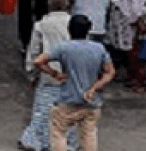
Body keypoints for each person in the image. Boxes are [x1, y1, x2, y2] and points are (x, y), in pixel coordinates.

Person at [32, 14, 116, 151]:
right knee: (89, 135)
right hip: (90, 102)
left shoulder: (63, 47)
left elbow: (38, 61)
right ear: (88, 30)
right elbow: (110, 72)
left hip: (67, 100)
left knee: (59, 133)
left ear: (69, 29)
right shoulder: (99, 48)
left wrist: (55, 74)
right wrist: (94, 88)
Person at [19, 0, 77, 151]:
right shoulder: (74, 23)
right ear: (66, 5)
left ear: (48, 6)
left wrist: (32, 74)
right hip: (70, 75)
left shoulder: (41, 25)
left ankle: (36, 141)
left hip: (48, 73)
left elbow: (34, 52)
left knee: (43, 110)